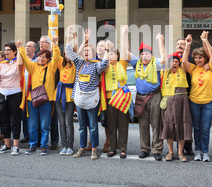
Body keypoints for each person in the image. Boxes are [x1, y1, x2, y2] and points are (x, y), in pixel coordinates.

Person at [65, 25, 109, 160]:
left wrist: (107, 49)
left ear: (93, 53)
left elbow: (105, 62)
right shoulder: (79, 64)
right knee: (82, 126)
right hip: (80, 99)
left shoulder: (96, 65)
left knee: (93, 126)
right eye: (84, 50)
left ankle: (94, 149)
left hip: (92, 99)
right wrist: (80, 39)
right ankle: (82, 148)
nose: (85, 52)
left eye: (88, 51)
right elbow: (68, 50)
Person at [127, 29, 166, 161]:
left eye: (147, 54)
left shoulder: (156, 63)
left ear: (151, 55)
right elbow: (126, 54)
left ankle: (157, 150)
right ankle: (145, 149)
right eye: (142, 53)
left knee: (156, 124)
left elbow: (165, 58)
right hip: (140, 97)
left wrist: (160, 41)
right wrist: (124, 35)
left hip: (154, 96)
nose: (144, 56)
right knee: (143, 124)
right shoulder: (136, 62)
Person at [17, 36, 60, 156]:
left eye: (43, 57)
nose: (41, 59)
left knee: (45, 125)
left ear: (48, 59)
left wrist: (55, 44)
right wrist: (20, 48)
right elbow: (25, 59)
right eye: (39, 57)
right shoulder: (33, 66)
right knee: (32, 124)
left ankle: (43, 146)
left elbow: (56, 57)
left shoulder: (51, 67)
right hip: (32, 100)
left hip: (47, 100)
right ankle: (32, 145)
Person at [182, 31, 212, 162]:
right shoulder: (192, 68)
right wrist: (187, 44)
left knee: (205, 129)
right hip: (194, 102)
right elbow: (184, 60)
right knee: (196, 129)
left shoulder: (211, 67)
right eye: (196, 58)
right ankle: (197, 151)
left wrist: (205, 40)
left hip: (207, 103)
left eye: (200, 58)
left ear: (205, 58)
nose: (198, 60)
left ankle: (206, 152)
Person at [0, 42, 23, 156]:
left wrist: (19, 47)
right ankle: (7, 144)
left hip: (15, 93)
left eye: (9, 50)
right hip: (1, 93)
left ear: (14, 52)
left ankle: (16, 145)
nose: (6, 52)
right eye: (5, 50)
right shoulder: (1, 64)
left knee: (15, 120)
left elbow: (21, 63)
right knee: (4, 120)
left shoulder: (17, 63)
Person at [160, 52, 192, 162]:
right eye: (172, 61)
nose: (174, 63)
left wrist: (187, 45)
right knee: (169, 126)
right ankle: (170, 152)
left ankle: (180, 152)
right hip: (168, 102)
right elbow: (163, 57)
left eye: (176, 61)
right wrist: (160, 40)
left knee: (182, 126)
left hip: (182, 102)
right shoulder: (164, 72)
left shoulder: (182, 71)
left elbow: (185, 59)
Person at [104, 30, 130, 158]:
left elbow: (125, 51)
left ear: (118, 56)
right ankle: (112, 148)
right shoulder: (106, 65)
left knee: (123, 124)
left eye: (113, 54)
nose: (111, 56)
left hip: (122, 98)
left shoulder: (123, 64)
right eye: (109, 54)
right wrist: (107, 49)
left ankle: (123, 149)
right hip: (110, 98)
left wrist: (124, 35)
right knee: (112, 124)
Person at [55, 50, 76, 156]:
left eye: (69, 54)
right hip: (59, 95)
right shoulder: (61, 64)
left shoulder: (75, 65)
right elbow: (56, 55)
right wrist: (54, 43)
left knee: (68, 122)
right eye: (65, 54)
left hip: (69, 96)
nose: (67, 56)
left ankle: (70, 146)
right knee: (61, 123)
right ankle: (64, 145)